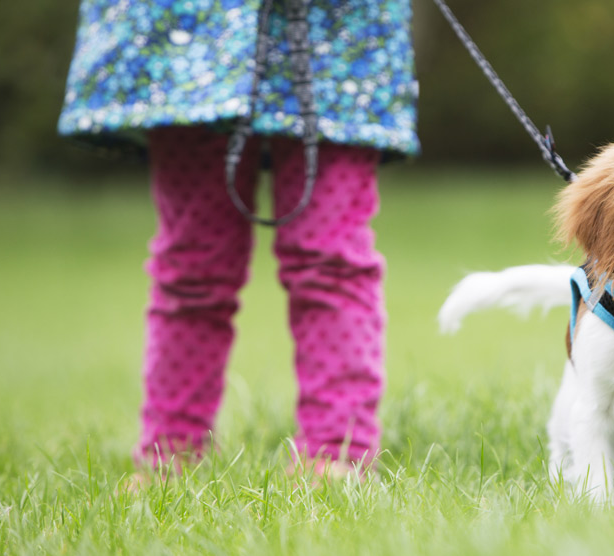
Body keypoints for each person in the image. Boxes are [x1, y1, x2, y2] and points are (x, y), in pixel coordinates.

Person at [58, 0, 419, 479]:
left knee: (331, 257)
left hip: (339, 38)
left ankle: (338, 455)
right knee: (194, 261)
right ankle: (171, 455)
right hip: (190, 36)